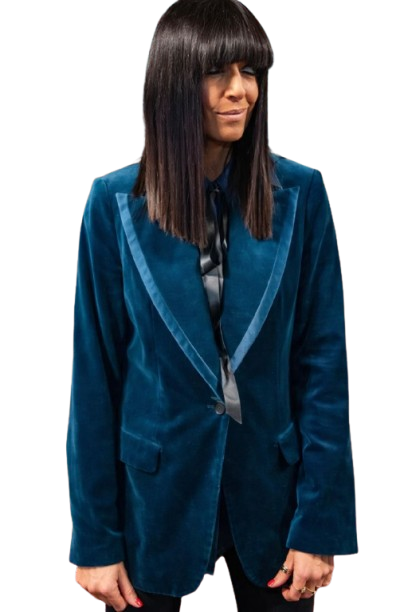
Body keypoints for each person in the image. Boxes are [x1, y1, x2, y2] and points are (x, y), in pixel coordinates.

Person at [67, 1, 358, 610]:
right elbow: (95, 380)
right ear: (173, 83)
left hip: (274, 505)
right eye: (216, 72)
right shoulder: (112, 202)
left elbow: (323, 368)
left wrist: (321, 526)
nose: (239, 91)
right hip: (153, 505)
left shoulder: (302, 193)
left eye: (250, 71)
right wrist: (94, 540)